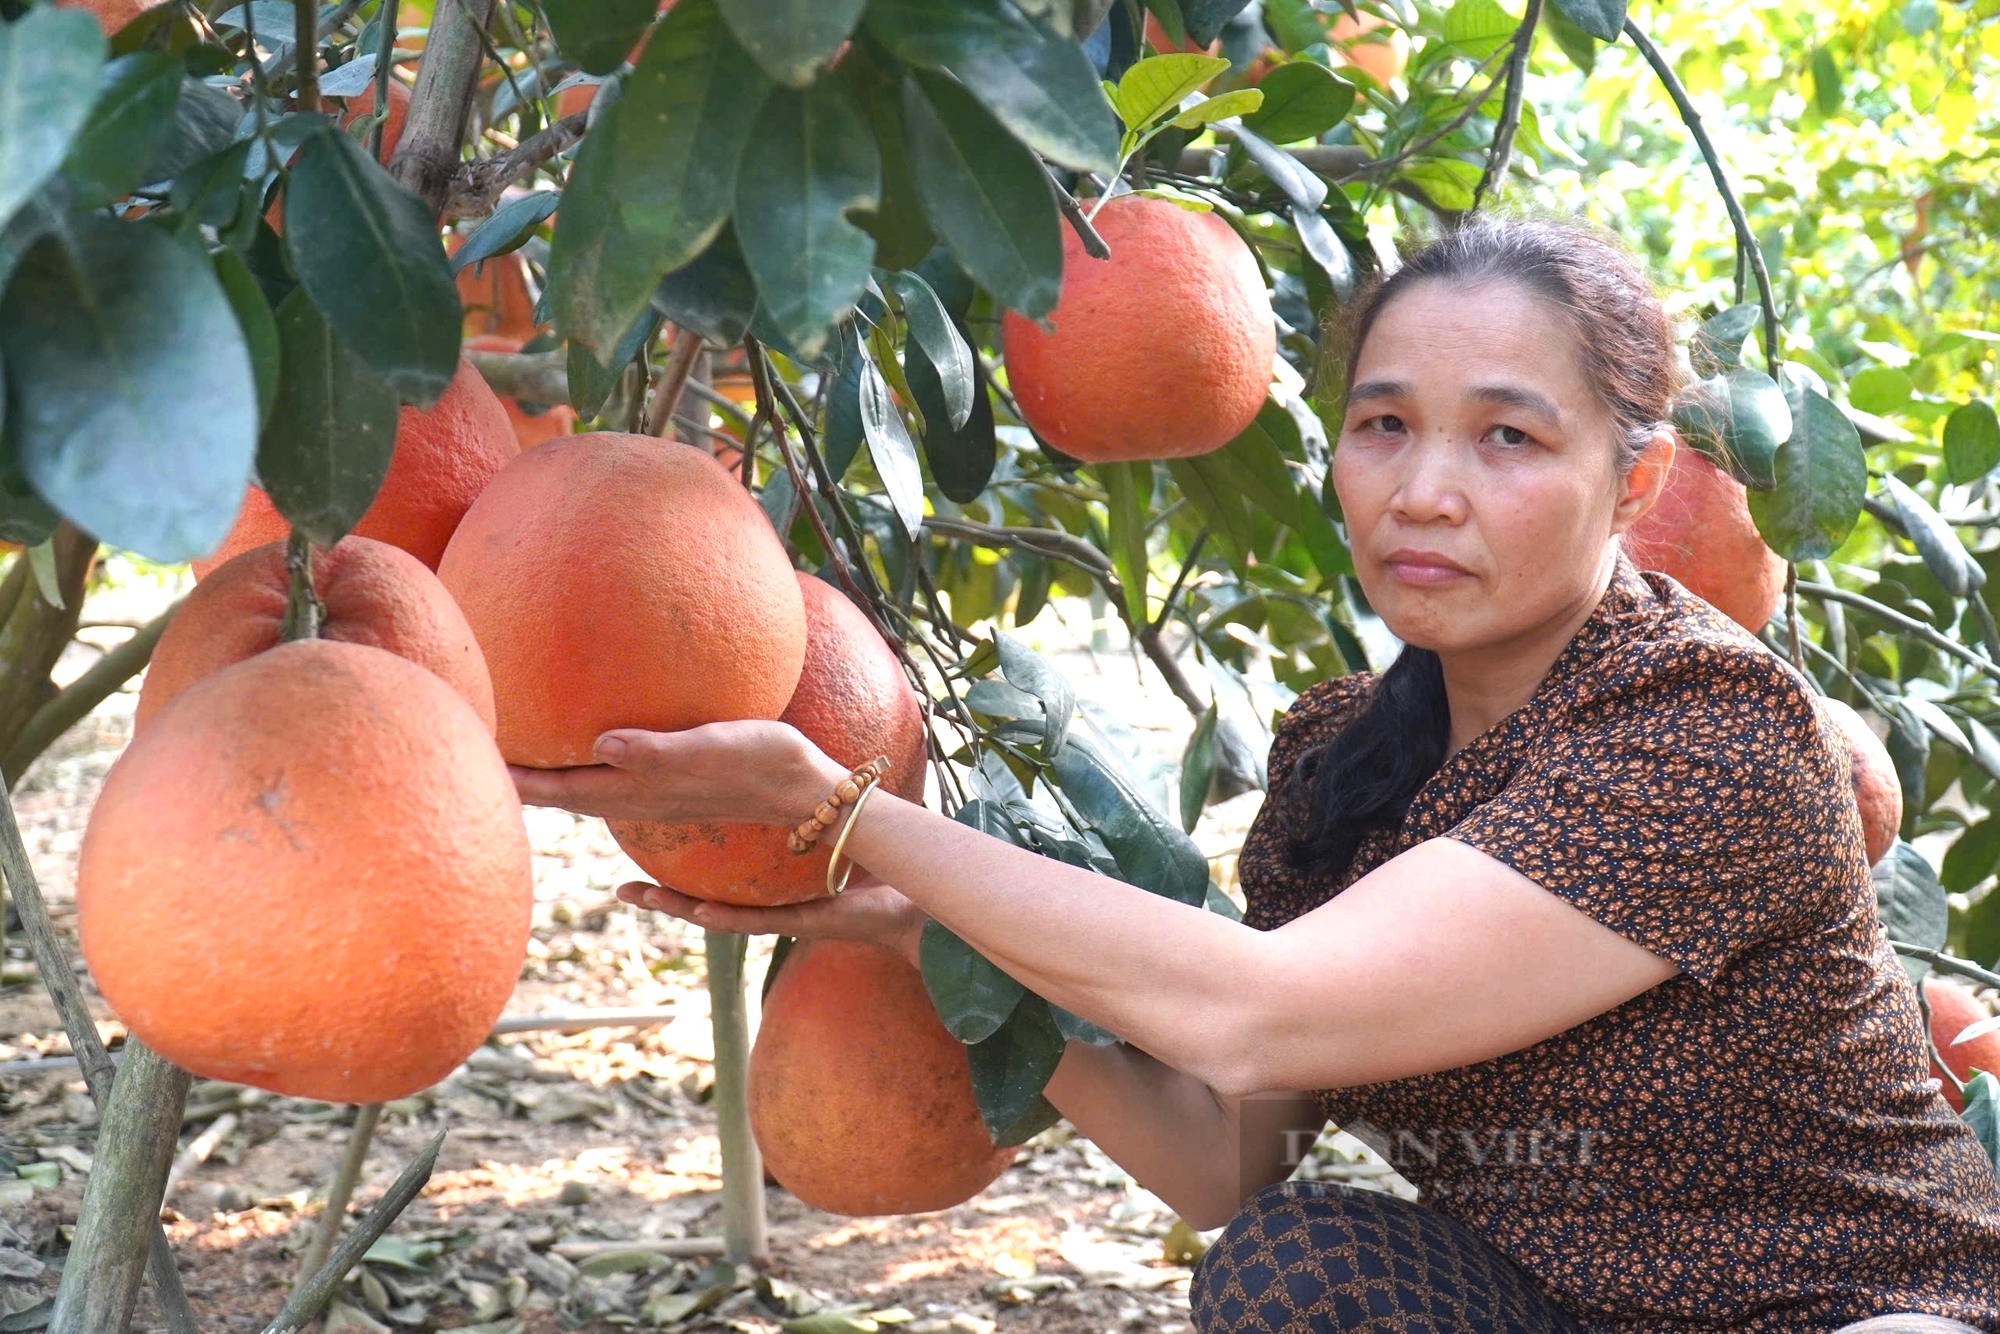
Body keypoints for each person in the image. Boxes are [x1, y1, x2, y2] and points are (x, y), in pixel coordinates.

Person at [510, 217, 2000, 1333]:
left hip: (1861, 1307)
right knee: (1290, 1262)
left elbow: (1254, 1000)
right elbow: (1232, 1162)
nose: (1426, 489)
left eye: (1509, 435)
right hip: (1569, 1309)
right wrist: (922, 925)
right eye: (1385, 426)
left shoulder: (1711, 731)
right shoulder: (1347, 762)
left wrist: (852, 817)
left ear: (1642, 477)